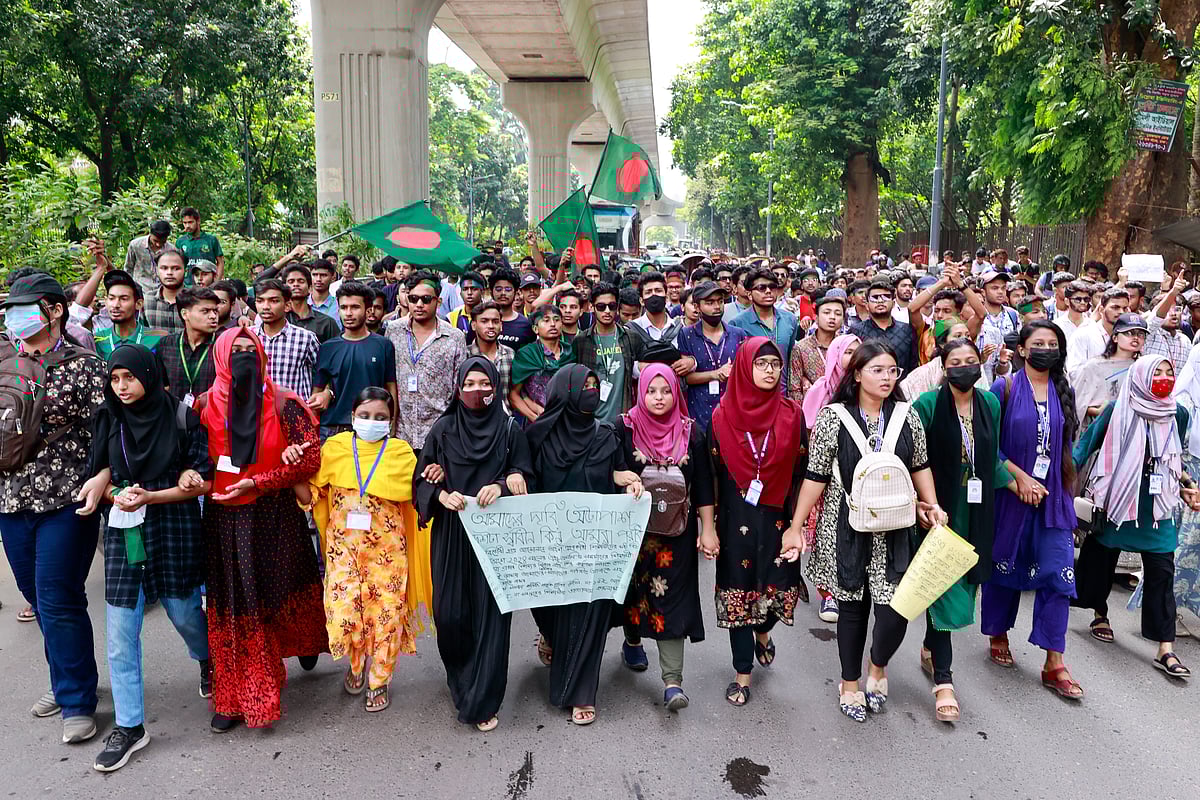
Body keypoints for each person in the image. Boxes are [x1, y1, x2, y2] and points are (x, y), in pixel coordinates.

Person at [782, 341, 946, 722]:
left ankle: (878, 664)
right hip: (846, 526)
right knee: (852, 610)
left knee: (896, 611)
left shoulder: (908, 416)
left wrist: (932, 503)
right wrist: (795, 526)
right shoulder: (833, 417)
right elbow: (816, 475)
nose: (887, 378)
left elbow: (920, 464)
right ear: (856, 374)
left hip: (897, 527)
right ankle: (851, 683)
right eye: (877, 370)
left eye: (892, 370)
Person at [82, 345, 212, 771]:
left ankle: (207, 658)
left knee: (185, 611)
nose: (122, 387)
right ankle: (131, 726)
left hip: (173, 522)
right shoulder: (108, 418)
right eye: (115, 379)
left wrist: (162, 490)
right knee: (121, 629)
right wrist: (117, 492)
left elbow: (200, 480)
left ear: (150, 377)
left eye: (130, 378)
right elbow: (99, 477)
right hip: (127, 531)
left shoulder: (182, 417)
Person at [196, 328, 328, 731]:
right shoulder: (203, 407)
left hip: (275, 515)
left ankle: (301, 643)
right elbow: (193, 461)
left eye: (248, 351)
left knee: (279, 592)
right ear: (220, 357)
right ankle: (243, 695)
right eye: (233, 352)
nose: (242, 358)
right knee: (239, 606)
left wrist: (262, 480)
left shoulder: (285, 402)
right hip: (224, 519)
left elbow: (309, 461)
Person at [0, 273, 107, 744]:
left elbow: (110, 430)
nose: (12, 317)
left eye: (23, 307)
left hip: (67, 497)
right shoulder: (4, 364)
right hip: (10, 498)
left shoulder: (85, 365)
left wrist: (103, 476)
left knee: (58, 595)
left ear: (54, 310)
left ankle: (77, 699)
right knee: (38, 596)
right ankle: (71, 675)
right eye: (9, 309)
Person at [414, 358, 532, 731]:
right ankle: (461, 676)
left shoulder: (510, 429)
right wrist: (438, 493)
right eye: (469, 383)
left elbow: (525, 472)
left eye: (485, 383)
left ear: (495, 388)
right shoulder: (444, 429)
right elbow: (423, 477)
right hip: (452, 533)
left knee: (491, 619)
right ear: (458, 388)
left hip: (496, 539)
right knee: (450, 616)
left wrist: (503, 483)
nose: (477, 390)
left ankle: (483, 698)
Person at [526, 365, 642, 725]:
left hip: (595, 546)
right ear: (565, 391)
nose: (592, 391)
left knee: (590, 614)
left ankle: (581, 693)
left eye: (595, 385)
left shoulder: (607, 434)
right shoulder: (536, 438)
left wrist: (622, 477)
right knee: (552, 611)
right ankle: (550, 636)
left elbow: (617, 470)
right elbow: (523, 475)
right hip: (549, 546)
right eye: (584, 386)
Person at [1072, 354, 1197, 679]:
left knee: (1161, 571)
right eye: (1158, 372)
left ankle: (1165, 648)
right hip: (1117, 499)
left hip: (1156, 506)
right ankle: (1099, 612)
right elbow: (1084, 446)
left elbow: (1174, 454)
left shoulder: (1177, 413)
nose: (1166, 378)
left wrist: (1186, 484)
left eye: (1170, 372)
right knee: (1101, 559)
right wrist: (1056, 482)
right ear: (1141, 376)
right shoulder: (1116, 410)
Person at [296, 388, 421, 712]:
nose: (371, 422)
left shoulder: (401, 453)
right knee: (345, 613)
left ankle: (379, 679)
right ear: (352, 417)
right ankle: (355, 665)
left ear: (391, 422)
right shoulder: (335, 448)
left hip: (388, 554)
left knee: (385, 617)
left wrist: (435, 475)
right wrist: (292, 470)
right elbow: (311, 495)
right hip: (343, 552)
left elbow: (419, 496)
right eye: (364, 416)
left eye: (381, 418)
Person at [700, 338, 808, 707]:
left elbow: (803, 471)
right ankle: (742, 673)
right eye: (760, 364)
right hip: (735, 522)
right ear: (745, 367)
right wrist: (708, 528)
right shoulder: (720, 417)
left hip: (779, 520)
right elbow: (709, 478)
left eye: (774, 364)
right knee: (738, 595)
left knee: (778, 593)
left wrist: (799, 524)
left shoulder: (793, 414)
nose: (769, 371)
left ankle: (764, 631)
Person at [980, 321, 1083, 701]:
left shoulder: (1063, 390)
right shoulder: (1002, 388)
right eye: (1038, 343)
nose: (1045, 349)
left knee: (1059, 573)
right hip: (1010, 493)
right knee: (1006, 564)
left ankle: (1055, 661)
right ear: (1022, 349)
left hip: (1053, 499)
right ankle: (998, 632)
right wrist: (1019, 478)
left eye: (1052, 344)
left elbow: (1068, 446)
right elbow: (986, 445)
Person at [912, 338, 1011, 722]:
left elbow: (993, 456)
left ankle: (928, 647)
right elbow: (914, 459)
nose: (965, 367)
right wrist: (923, 503)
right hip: (941, 511)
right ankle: (944, 680)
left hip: (978, 510)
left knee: (964, 585)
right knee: (943, 590)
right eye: (956, 362)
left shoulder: (990, 404)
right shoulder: (928, 405)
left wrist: (1020, 485)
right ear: (944, 366)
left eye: (972, 360)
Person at [615, 365, 708, 710]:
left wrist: (708, 529)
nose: (658, 398)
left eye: (665, 391)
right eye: (651, 391)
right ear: (641, 392)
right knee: (634, 593)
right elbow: (604, 467)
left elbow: (704, 487)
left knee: (673, 599)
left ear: (675, 392)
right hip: (633, 534)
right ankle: (633, 641)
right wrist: (620, 474)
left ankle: (672, 682)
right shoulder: (623, 428)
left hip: (678, 536)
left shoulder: (691, 432)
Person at [388, 272, 467, 453]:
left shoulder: (454, 337)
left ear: (438, 302)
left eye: (426, 299)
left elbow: (459, 388)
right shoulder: (393, 330)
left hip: (440, 433)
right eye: (413, 298)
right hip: (401, 434)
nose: (419, 305)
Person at [311, 282, 399, 440]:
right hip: (333, 429)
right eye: (344, 308)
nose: (348, 313)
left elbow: (391, 388)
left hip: (372, 427)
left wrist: (391, 425)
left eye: (355, 307)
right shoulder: (327, 348)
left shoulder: (383, 345)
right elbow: (317, 392)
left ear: (368, 309)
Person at [678, 281, 748, 432]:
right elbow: (687, 377)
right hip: (699, 413)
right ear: (697, 307)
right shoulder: (687, 334)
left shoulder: (738, 334)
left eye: (720, 301)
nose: (717, 306)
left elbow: (746, 373)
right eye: (709, 302)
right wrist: (715, 374)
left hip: (733, 412)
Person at [573, 283, 641, 423]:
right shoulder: (581, 341)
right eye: (601, 306)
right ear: (592, 307)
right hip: (591, 420)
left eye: (612, 306)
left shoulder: (631, 338)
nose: (607, 311)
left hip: (623, 419)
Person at [1072, 313, 1145, 430]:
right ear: (1115, 337)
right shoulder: (1094, 366)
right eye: (1128, 333)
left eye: (1140, 334)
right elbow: (1077, 403)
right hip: (1097, 430)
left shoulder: (1143, 367)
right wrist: (1099, 411)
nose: (1135, 338)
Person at [251, 278, 321, 399]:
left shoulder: (305, 338)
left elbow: (322, 374)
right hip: (257, 413)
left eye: (274, 301)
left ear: (287, 305)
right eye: (260, 301)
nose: (265, 307)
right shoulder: (247, 338)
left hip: (295, 413)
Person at [731, 268, 800, 386]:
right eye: (761, 288)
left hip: (783, 392)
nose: (768, 291)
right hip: (753, 394)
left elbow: (790, 358)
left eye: (772, 287)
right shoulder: (738, 324)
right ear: (749, 294)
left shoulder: (790, 319)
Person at [510, 305, 574, 423]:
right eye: (546, 320)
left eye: (556, 319)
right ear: (535, 329)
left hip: (567, 420)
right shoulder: (527, 354)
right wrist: (536, 418)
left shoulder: (570, 352)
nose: (553, 324)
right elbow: (514, 395)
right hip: (537, 421)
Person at [157, 287, 220, 404]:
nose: (213, 316)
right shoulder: (166, 345)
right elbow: (162, 386)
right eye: (205, 311)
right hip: (175, 417)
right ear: (185, 314)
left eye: (215, 311)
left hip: (210, 418)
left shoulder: (223, 346)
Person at [788, 290, 846, 404]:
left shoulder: (846, 346)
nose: (832, 317)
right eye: (827, 312)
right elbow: (794, 388)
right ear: (816, 316)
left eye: (838, 314)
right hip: (812, 408)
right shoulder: (801, 348)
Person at [850, 278, 917, 377]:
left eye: (886, 297)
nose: (880, 301)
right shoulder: (855, 331)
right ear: (867, 305)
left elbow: (913, 366)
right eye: (875, 298)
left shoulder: (907, 330)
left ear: (893, 303)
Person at [94, 270, 165, 361]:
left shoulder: (158, 338)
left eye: (124, 299)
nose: (116, 305)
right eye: (111, 298)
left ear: (138, 304)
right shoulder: (98, 340)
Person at [1066, 287, 1129, 374]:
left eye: (1125, 308)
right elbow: (1074, 373)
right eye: (1115, 307)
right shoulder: (1083, 335)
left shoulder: (1129, 337)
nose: (1121, 312)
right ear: (1101, 310)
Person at [467, 300, 515, 411]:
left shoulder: (510, 355)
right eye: (484, 321)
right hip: (475, 420)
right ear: (474, 325)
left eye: (495, 321)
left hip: (505, 420)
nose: (491, 326)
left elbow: (514, 394)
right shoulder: (465, 355)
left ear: (501, 325)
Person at [281, 263, 340, 343]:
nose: (296, 284)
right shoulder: (280, 320)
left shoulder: (326, 323)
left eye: (301, 281)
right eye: (291, 281)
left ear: (310, 288)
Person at [123, 220, 176, 298]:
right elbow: (128, 268)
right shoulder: (136, 245)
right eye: (155, 241)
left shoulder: (171, 250)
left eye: (162, 242)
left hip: (162, 292)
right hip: (140, 290)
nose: (158, 244)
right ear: (150, 234)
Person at [139, 250, 187, 336]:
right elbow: (142, 334)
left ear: (185, 271)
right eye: (164, 268)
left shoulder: (195, 300)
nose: (169, 273)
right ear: (157, 270)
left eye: (176, 268)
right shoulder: (147, 300)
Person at [489, 267, 534, 350]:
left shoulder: (526, 324)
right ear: (491, 292)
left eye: (508, 289)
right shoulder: (481, 321)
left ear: (516, 292)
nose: (503, 293)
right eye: (498, 289)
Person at [176, 207, 225, 281]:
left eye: (190, 222)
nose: (187, 226)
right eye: (185, 223)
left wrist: (216, 281)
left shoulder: (211, 240)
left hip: (208, 285)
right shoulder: (180, 241)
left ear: (198, 221)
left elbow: (220, 262)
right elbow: (177, 264)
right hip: (188, 286)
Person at [308, 259, 342, 329]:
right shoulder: (303, 303)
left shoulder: (339, 305)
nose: (318, 279)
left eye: (323, 275)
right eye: (314, 275)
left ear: (333, 277)